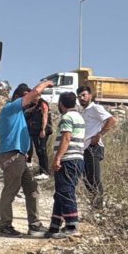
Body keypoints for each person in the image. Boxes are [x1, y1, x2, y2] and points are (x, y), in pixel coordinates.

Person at [0, 80, 54, 236]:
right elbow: (35, 93)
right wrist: (46, 83)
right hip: (12, 155)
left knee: (32, 188)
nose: (30, 99)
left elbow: (35, 101)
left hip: (19, 156)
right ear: (16, 97)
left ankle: (34, 225)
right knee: (11, 190)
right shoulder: (11, 108)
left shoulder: (19, 113)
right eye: (25, 96)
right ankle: (5, 225)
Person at [47, 92, 86, 238]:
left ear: (61, 103)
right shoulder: (79, 117)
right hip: (76, 159)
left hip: (69, 159)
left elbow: (66, 138)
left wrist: (57, 158)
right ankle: (55, 225)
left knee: (66, 191)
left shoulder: (67, 117)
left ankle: (71, 225)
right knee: (60, 192)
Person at [78, 85, 116, 208]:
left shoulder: (95, 108)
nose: (81, 98)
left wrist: (99, 135)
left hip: (93, 147)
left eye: (84, 95)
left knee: (94, 178)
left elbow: (111, 120)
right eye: (79, 96)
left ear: (90, 96)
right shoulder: (83, 111)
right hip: (84, 148)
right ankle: (94, 203)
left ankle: (98, 207)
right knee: (87, 179)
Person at [25, 92, 52, 179]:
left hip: (42, 131)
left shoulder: (43, 104)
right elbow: (27, 112)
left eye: (35, 96)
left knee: (42, 150)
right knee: (39, 151)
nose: (34, 98)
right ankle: (42, 172)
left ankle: (45, 172)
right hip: (35, 131)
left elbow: (45, 116)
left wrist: (43, 130)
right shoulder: (34, 105)